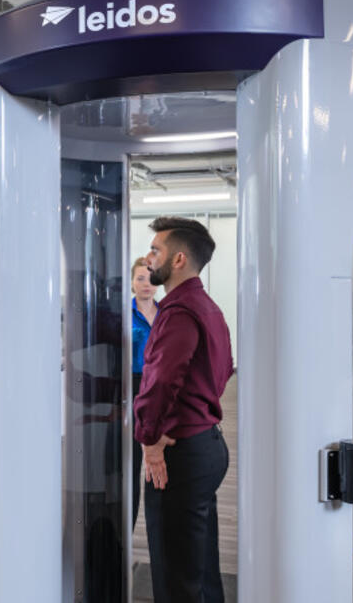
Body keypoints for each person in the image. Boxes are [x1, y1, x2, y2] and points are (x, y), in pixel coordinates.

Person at [134, 217, 233, 603]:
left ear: (177, 260)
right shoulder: (207, 307)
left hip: (182, 454)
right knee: (201, 568)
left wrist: (151, 440)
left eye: (155, 250)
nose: (148, 257)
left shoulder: (176, 312)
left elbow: (160, 382)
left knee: (176, 575)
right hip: (208, 446)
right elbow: (223, 371)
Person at [130, 257, 159, 531]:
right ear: (131, 282)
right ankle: (128, 526)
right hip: (130, 387)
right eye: (140, 278)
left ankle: (157, 528)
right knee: (130, 463)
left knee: (157, 459)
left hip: (158, 388)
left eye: (150, 278)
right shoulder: (122, 313)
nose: (146, 284)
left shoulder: (167, 314)